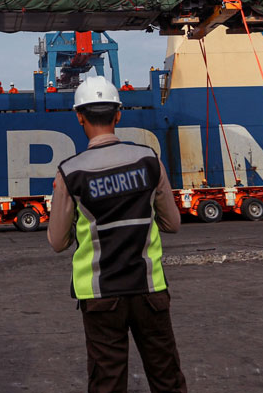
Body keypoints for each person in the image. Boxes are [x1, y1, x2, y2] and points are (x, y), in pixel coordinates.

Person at [47, 76, 187, 393]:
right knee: (167, 378)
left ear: (79, 117)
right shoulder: (149, 160)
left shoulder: (70, 172)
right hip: (149, 289)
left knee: (107, 383)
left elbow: (57, 242)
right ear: (118, 114)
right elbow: (172, 223)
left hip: (100, 295)